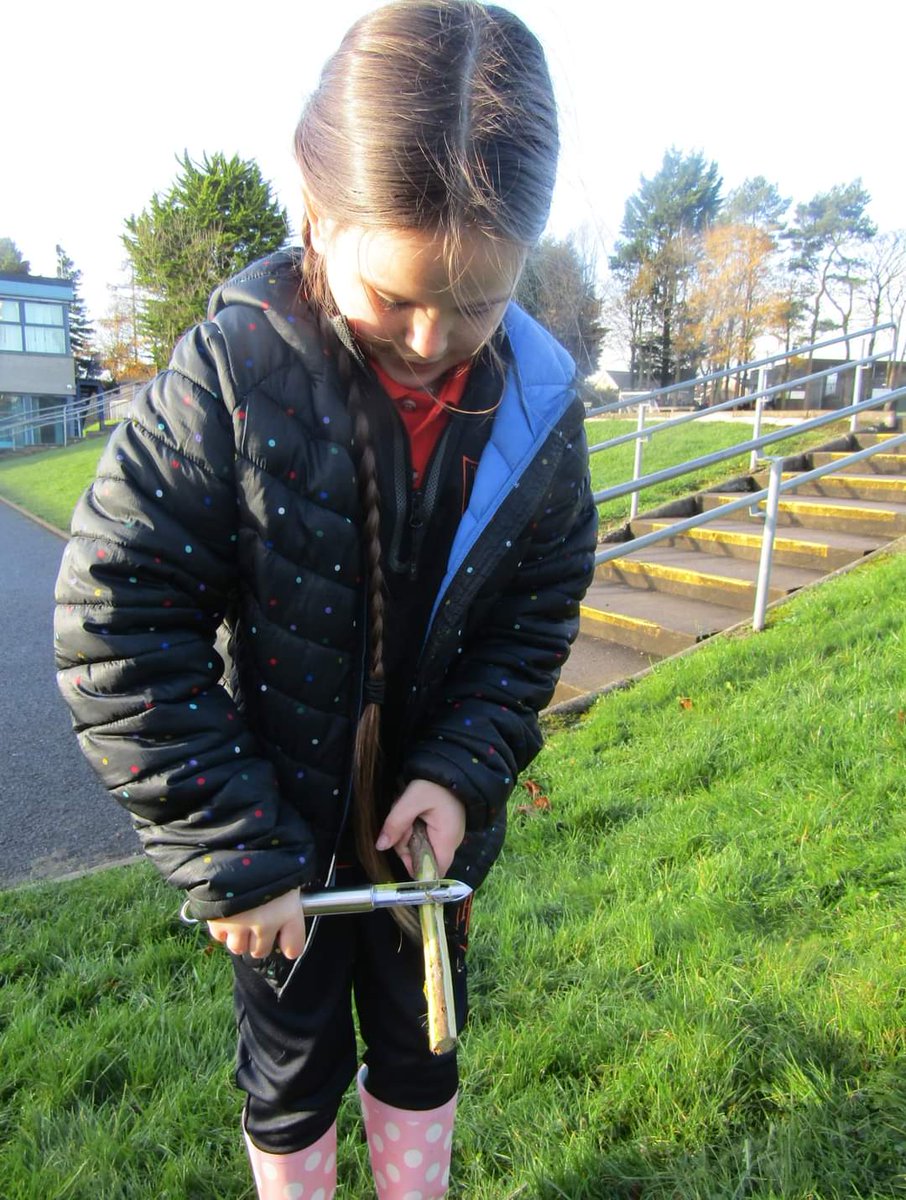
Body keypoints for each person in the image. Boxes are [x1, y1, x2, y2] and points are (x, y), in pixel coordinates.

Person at [53, 2, 598, 1196]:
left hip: (426, 854)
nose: (432, 339)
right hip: (273, 836)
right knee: (290, 1064)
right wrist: (228, 847)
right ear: (317, 212)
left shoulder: (539, 417)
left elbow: (536, 612)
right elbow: (117, 617)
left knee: (422, 1044)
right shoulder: (230, 383)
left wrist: (461, 773)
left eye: (480, 302)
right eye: (395, 292)